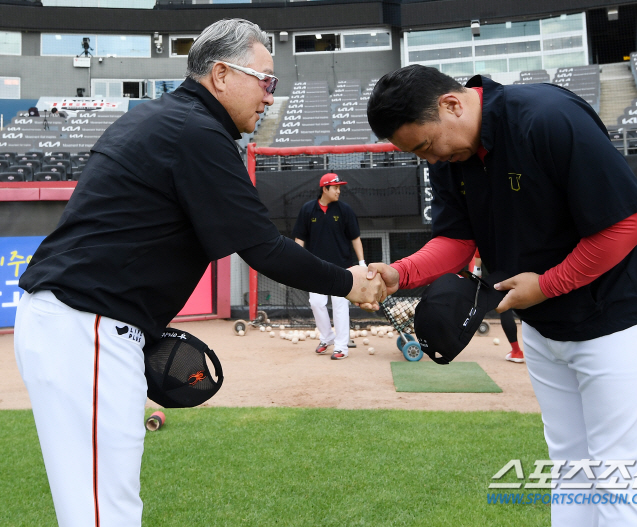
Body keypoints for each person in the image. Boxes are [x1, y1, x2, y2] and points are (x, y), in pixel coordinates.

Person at [14, 19, 385, 527]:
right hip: (87, 327)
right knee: (103, 515)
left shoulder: (165, 119)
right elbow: (263, 248)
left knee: (99, 508)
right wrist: (351, 281)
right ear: (220, 74)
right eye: (266, 80)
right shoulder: (196, 131)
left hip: (83, 325)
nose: (270, 96)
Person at [365, 65, 637, 527]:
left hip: (617, 316)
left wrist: (547, 285)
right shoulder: (452, 158)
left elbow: (631, 223)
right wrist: (399, 273)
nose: (429, 159)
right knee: (569, 466)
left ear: (452, 104)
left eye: (425, 146)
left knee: (622, 473)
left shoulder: (546, 116)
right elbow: (455, 241)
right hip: (544, 323)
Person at [292, 173, 365, 360]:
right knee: (316, 303)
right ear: (325, 189)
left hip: (342, 268)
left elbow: (355, 237)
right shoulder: (308, 210)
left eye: (339, 187)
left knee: (341, 306)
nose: (339, 191)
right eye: (335, 187)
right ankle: (327, 338)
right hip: (315, 267)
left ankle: (341, 347)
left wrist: (362, 263)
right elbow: (299, 238)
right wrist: (298, 260)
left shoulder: (345, 210)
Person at [472, 250, 523, 363]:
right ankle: (532, 352)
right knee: (529, 308)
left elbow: (479, 251)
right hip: (524, 268)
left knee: (505, 309)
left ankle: (516, 351)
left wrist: (477, 270)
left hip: (502, 272)